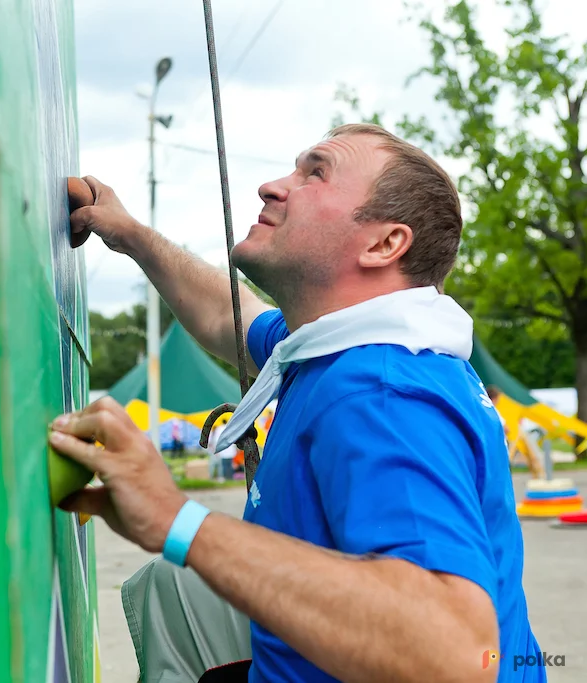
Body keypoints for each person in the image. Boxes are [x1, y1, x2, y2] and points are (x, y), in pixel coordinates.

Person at [49, 124, 542, 682]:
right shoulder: (334, 344)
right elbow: (224, 314)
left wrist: (174, 518)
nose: (272, 186)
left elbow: (456, 653)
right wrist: (133, 235)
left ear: (385, 244)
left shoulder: (382, 393)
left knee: (188, 565)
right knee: (177, 585)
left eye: (316, 174)